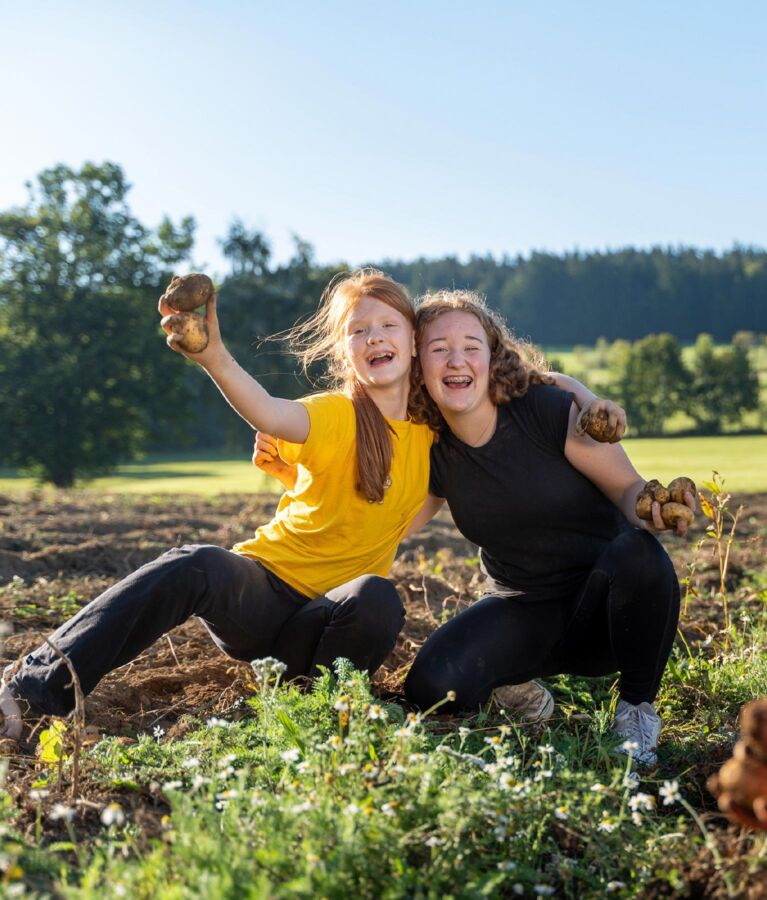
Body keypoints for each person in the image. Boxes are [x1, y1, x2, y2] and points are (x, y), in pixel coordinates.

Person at [0, 269, 432, 742]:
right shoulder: (336, 414)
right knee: (198, 563)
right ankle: (33, 687)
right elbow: (268, 410)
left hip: (325, 623)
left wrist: (295, 480)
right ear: (343, 352)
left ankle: (302, 706)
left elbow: (391, 520)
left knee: (376, 597)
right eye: (358, 330)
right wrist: (213, 357)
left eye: (389, 325)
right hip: (261, 595)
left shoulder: (433, 441)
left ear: (414, 341)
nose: (375, 337)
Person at [401, 289, 694, 766]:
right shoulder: (433, 451)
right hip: (524, 609)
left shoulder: (546, 409)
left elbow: (626, 488)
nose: (457, 360)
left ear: (492, 357)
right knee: (431, 684)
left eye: (471, 345)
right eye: (438, 348)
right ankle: (519, 691)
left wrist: (649, 510)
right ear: (419, 368)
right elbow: (393, 527)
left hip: (606, 607)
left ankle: (636, 711)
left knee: (640, 554)